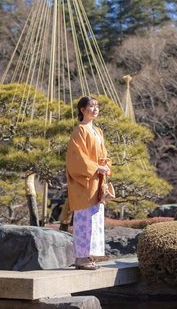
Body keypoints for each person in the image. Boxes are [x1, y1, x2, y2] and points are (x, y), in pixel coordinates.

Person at [66, 96, 111, 270]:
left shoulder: (97, 131)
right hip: (84, 182)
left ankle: (89, 255)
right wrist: (97, 167)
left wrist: (105, 166)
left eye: (97, 106)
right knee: (84, 219)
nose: (95, 109)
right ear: (82, 110)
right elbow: (76, 159)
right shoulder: (80, 130)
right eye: (91, 106)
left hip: (97, 182)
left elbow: (103, 155)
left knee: (95, 219)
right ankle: (81, 257)